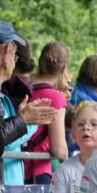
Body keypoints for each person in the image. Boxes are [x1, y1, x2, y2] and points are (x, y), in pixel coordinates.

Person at [25, 41, 70, 184]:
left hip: (16, 168)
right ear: (63, 67)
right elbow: (59, 150)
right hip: (39, 170)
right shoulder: (56, 96)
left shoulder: (24, 88)